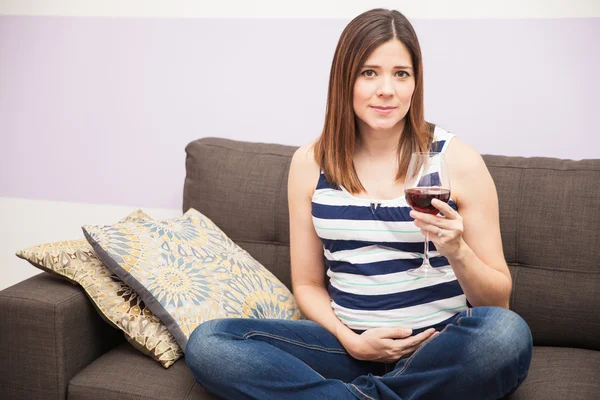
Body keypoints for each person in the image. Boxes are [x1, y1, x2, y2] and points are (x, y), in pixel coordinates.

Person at [186, 8, 532, 399]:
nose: (387, 89)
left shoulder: (456, 160)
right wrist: (349, 339)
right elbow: (308, 283)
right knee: (210, 342)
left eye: (401, 73)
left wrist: (458, 251)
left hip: (436, 349)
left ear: (415, 83)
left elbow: (498, 301)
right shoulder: (309, 164)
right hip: (345, 347)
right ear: (345, 79)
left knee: (507, 335)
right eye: (370, 72)